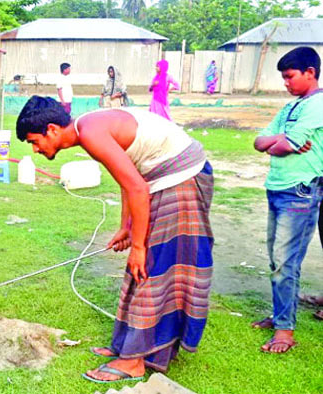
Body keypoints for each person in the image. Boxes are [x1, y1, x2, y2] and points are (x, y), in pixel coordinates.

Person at [16, 96, 213, 382]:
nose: (35, 149)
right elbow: (128, 178)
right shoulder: (88, 131)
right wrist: (126, 226)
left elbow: (137, 187)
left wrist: (138, 245)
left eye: (35, 141)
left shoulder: (91, 133)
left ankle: (134, 361)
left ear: (52, 130)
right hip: (160, 177)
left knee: (151, 266)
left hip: (181, 177)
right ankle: (128, 345)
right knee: (141, 264)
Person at [251, 46, 323, 353]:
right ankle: (282, 315)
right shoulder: (292, 107)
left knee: (285, 261)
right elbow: (259, 140)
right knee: (277, 260)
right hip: (277, 187)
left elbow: (289, 142)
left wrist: (281, 142)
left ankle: (285, 331)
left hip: (300, 190)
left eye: (289, 76)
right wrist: (275, 143)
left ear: (310, 72)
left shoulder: (318, 104)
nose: (286, 83)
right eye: (283, 78)